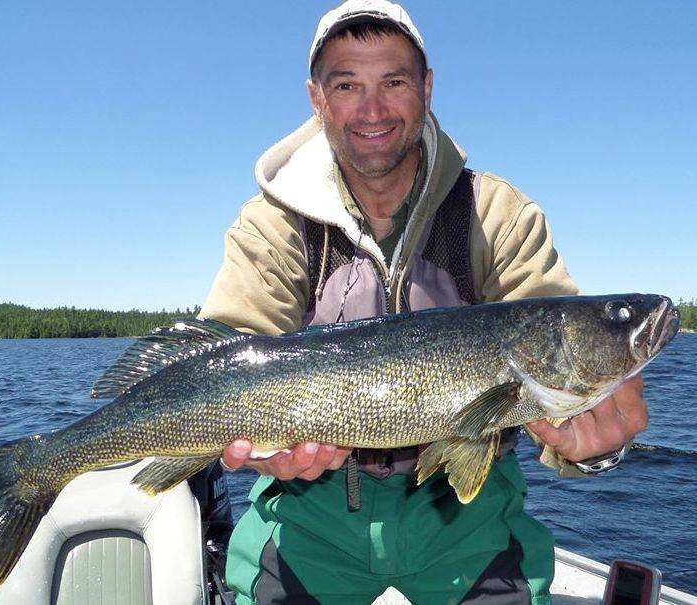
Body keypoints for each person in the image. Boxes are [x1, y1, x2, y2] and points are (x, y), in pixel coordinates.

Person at [199, 1, 649, 603]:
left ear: (428, 87)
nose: (373, 109)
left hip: (469, 514)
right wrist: (257, 454)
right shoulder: (272, 226)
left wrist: (598, 447)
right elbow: (221, 355)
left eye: (394, 81)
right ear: (317, 99)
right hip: (313, 511)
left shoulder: (496, 216)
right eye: (347, 85)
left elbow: (561, 385)